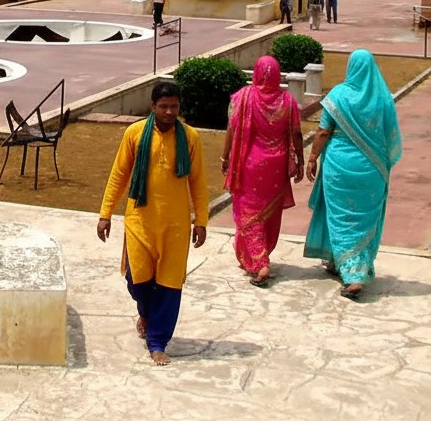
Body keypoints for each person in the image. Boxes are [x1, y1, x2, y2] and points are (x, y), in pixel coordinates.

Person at [97, 82, 208, 365]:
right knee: (136, 281)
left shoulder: (191, 138)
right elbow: (119, 174)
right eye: (164, 107)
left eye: (174, 107)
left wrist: (202, 220)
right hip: (140, 221)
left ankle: (157, 342)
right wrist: (105, 213)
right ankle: (145, 313)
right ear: (152, 106)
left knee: (169, 286)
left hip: (176, 226)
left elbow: (198, 181)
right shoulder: (134, 134)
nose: (169, 112)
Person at [304, 50, 403, 300]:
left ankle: (353, 275)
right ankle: (346, 263)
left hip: (339, 168)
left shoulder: (338, 95)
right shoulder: (383, 99)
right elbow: (390, 136)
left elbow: (324, 131)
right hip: (372, 170)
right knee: (362, 220)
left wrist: (313, 157)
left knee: (341, 218)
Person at [221, 55, 304, 286]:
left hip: (248, 165)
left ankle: (260, 263)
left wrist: (225, 156)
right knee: (268, 214)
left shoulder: (242, 98)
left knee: (249, 215)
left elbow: (231, 129)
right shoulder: (288, 102)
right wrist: (300, 159)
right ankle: (256, 257)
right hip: (275, 168)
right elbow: (296, 133)